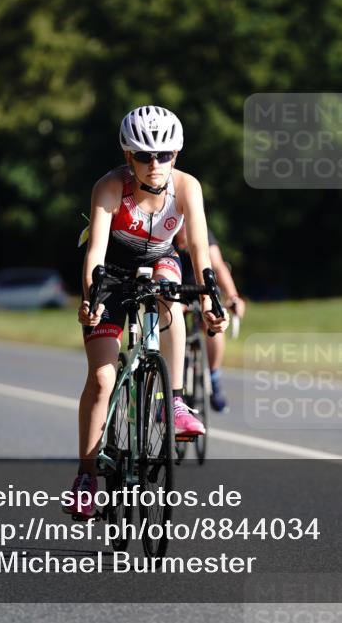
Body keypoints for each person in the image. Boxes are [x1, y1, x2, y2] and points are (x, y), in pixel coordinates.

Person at [65, 105, 228, 519]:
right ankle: (86, 477)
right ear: (128, 157)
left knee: (171, 295)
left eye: (165, 155)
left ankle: (172, 401)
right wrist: (91, 298)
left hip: (161, 259)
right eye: (144, 155)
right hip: (111, 270)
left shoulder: (187, 187)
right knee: (102, 379)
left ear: (177, 155)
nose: (155, 164)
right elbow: (95, 254)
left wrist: (210, 300)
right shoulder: (109, 187)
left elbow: (200, 254)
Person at [173, 226, 245, 412]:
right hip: (173, 291)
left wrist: (233, 296)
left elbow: (219, 266)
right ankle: (166, 392)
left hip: (199, 289)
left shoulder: (202, 233)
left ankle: (214, 378)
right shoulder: (167, 230)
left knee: (215, 322)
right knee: (168, 324)